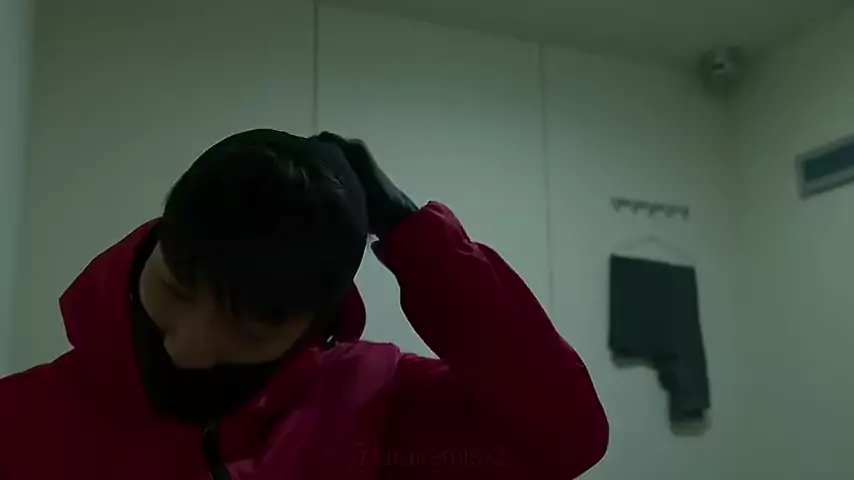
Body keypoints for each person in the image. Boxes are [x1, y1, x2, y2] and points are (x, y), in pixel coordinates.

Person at [0, 129, 608, 480]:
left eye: (249, 327)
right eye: (175, 289)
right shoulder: (18, 418)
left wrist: (413, 235)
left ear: (311, 328)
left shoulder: (372, 414)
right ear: (154, 244)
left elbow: (565, 437)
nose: (186, 347)